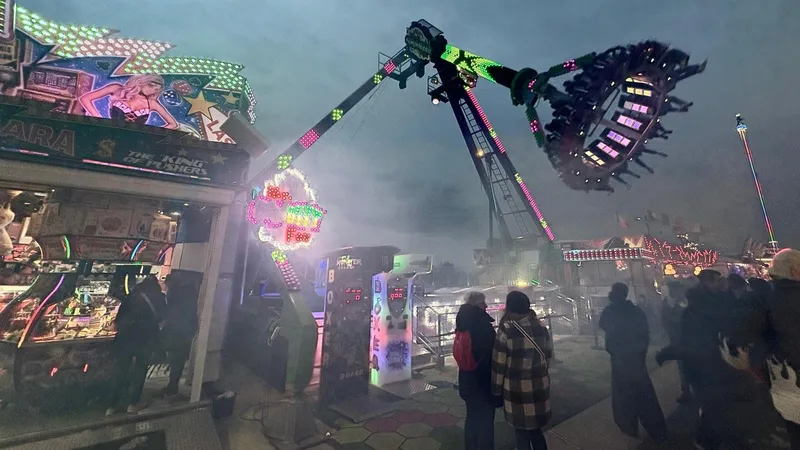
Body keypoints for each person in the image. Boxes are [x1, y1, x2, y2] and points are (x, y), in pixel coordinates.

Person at [657, 269, 757, 449]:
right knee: (712, 406)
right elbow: (690, 339)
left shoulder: (713, 301)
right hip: (706, 366)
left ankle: (710, 438)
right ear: (707, 283)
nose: (721, 283)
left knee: (716, 406)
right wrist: (671, 352)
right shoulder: (699, 307)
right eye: (717, 280)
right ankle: (707, 439)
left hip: (714, 363)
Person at [722, 250, 800, 449]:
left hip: (788, 382)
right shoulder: (765, 300)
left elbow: (738, 336)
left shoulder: (762, 300)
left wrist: (755, 360)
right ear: (794, 270)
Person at [599, 283, 667, 441]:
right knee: (645, 395)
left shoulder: (611, 311)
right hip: (636, 359)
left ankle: (629, 426)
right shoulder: (636, 311)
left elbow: (603, 324)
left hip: (621, 360)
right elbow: (644, 334)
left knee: (624, 396)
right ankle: (656, 429)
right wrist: (640, 353)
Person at [492, 291, 552, 450]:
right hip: (539, 387)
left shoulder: (507, 329)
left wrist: (496, 392)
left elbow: (499, 365)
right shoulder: (541, 327)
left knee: (521, 434)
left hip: (516, 390)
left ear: (510, 307)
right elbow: (548, 357)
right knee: (536, 432)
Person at [106, 275, 165, 415]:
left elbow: (119, 318)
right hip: (145, 339)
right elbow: (162, 318)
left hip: (125, 338)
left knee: (121, 370)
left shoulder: (132, 296)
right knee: (140, 370)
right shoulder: (159, 298)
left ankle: (112, 405)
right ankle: (133, 403)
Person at [456, 291, 500, 449]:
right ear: (477, 305)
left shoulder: (462, 322)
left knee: (471, 417)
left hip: (467, 379)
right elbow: (492, 355)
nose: (486, 306)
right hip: (483, 382)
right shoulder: (483, 326)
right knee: (486, 421)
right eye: (483, 303)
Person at [79, 74, 179, 128]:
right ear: (142, 81)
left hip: (133, 138)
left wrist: (152, 134)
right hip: (110, 131)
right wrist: (97, 117)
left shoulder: (151, 103)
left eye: (155, 89)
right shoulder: (117, 89)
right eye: (150, 85)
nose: (152, 90)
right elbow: (85, 98)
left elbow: (173, 124)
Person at [160, 273, 199, 398]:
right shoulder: (188, 293)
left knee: (176, 360)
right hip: (184, 332)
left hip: (178, 332)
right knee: (177, 361)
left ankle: (172, 388)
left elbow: (173, 314)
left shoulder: (177, 295)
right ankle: (172, 386)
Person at [661, 281, 691, 403]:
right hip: (678, 340)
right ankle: (686, 391)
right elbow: (667, 319)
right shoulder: (668, 303)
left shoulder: (686, 301)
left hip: (689, 339)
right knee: (682, 366)